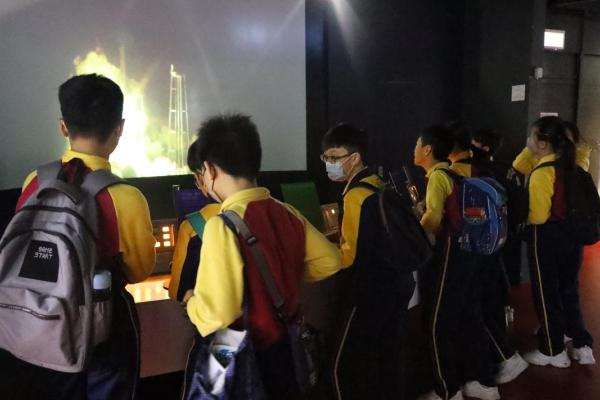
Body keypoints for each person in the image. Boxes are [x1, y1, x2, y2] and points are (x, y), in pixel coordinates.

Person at [0, 74, 156, 400]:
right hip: (104, 329)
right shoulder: (126, 197)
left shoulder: (34, 181)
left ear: (63, 127)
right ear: (119, 128)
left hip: (39, 320)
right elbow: (140, 271)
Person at [182, 113, 341, 399]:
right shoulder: (287, 212)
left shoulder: (222, 225)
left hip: (242, 357)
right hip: (285, 350)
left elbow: (219, 315)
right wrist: (284, 273)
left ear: (209, 169)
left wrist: (192, 301)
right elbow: (331, 260)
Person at [321, 123, 416, 400]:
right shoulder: (378, 183)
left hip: (368, 291)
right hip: (397, 282)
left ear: (354, 158)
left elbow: (349, 257)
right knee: (388, 354)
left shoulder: (356, 195)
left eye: (334, 157)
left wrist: (321, 252)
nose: (329, 164)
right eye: (325, 157)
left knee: (345, 361)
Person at [414, 125, 498, 400]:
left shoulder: (438, 177)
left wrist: (416, 224)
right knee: (469, 316)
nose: (414, 149)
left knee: (437, 322)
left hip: (450, 254)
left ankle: (447, 390)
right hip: (468, 252)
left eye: (417, 144)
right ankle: (484, 381)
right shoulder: (455, 174)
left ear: (427, 149)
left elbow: (433, 220)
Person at [447, 123, 528, 386]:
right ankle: (501, 356)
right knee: (490, 301)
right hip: (497, 244)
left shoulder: (463, 172)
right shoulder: (499, 169)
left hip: (477, 249)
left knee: (478, 308)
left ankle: (501, 358)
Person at [521, 116, 595, 367]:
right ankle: (581, 344)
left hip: (547, 238)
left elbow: (539, 216)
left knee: (546, 293)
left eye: (531, 136)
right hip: (573, 239)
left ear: (542, 143)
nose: (528, 141)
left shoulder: (542, 172)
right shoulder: (575, 167)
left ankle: (553, 350)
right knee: (569, 290)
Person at [168, 141, 221, 301]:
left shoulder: (192, 226)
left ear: (203, 176)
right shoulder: (286, 213)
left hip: (212, 315)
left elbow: (177, 292)